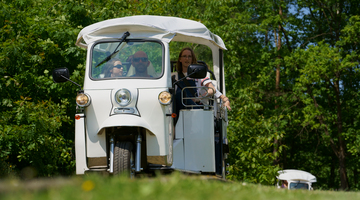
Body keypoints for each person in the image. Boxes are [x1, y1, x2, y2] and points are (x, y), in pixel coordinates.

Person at [172, 47, 231, 112]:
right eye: (184, 56)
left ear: (192, 59)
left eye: (189, 56)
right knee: (179, 94)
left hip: (195, 109)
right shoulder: (174, 76)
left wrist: (198, 98)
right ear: (180, 59)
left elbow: (212, 89)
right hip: (177, 111)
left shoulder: (199, 75)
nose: (187, 58)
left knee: (181, 93)